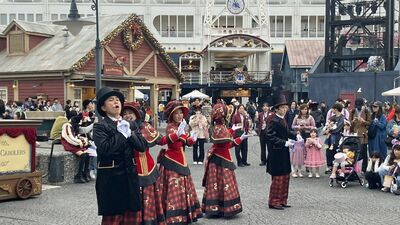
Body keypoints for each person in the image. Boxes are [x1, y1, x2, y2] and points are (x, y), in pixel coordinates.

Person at [93, 87, 147, 224]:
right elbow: (105, 149)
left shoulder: (131, 124)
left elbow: (142, 146)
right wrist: (121, 135)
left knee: (132, 217)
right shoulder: (100, 126)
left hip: (130, 176)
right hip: (111, 178)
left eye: (117, 99)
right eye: (111, 100)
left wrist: (130, 133)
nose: (116, 102)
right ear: (103, 108)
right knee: (113, 217)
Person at [121, 102, 180, 225]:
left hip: (146, 168)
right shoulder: (119, 127)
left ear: (136, 114)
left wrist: (176, 135)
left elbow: (161, 140)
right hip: (126, 168)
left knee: (148, 198)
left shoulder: (145, 127)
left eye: (130, 113)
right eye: (125, 114)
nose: (127, 116)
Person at [158, 100, 203, 224]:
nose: (180, 115)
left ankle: (185, 213)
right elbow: (170, 141)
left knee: (184, 187)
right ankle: (173, 215)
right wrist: (179, 134)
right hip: (171, 160)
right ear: (171, 115)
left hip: (181, 159)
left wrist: (192, 138)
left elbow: (186, 142)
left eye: (181, 113)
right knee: (174, 188)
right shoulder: (170, 127)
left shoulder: (180, 126)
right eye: (176, 113)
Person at [201, 103, 249, 218]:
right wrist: (237, 137)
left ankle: (216, 207)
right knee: (224, 183)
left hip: (217, 159)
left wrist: (236, 135)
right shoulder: (220, 128)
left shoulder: (218, 127)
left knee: (216, 184)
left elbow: (226, 143)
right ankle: (224, 208)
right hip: (222, 159)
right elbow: (226, 144)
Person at [265, 95, 299, 210]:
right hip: (276, 153)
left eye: (286, 107)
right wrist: (284, 142)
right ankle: (274, 202)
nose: (285, 109)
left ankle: (283, 200)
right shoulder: (273, 120)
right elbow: (269, 136)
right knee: (278, 178)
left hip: (284, 152)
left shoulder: (282, 119)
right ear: (277, 109)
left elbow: (287, 132)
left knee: (285, 176)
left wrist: (296, 135)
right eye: (283, 107)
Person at [350, 98, 371, 172]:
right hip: (355, 134)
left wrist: (363, 121)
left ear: (363, 105)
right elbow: (349, 123)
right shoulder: (352, 111)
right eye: (357, 105)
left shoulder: (366, 111)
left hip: (363, 134)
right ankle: (353, 169)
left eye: (359, 105)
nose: (358, 107)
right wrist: (353, 121)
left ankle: (364, 169)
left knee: (363, 153)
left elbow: (369, 122)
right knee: (354, 152)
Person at [324, 103, 345, 173]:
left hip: (338, 137)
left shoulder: (342, 118)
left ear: (336, 109)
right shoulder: (332, 117)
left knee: (335, 151)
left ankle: (335, 166)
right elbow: (327, 124)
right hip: (329, 136)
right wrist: (326, 129)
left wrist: (329, 130)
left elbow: (338, 128)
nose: (331, 110)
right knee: (328, 151)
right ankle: (329, 165)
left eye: (332, 108)